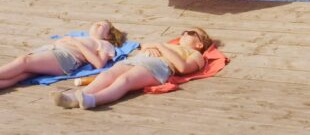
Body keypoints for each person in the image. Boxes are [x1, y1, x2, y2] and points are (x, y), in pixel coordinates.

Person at [52, 27, 212, 109]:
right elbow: (143, 46)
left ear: (199, 44)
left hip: (158, 66)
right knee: (109, 74)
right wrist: (150, 48)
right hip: (142, 58)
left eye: (190, 33)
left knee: (125, 80)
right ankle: (75, 97)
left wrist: (160, 47)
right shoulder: (170, 45)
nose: (184, 34)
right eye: (183, 32)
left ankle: (92, 100)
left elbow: (183, 68)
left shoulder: (195, 54)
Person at [0, 20, 126, 97]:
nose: (96, 24)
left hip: (65, 57)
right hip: (53, 51)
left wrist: (75, 42)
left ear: (109, 34)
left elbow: (98, 63)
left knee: (24, 61)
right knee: (24, 74)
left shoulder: (105, 45)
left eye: (102, 25)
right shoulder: (84, 37)